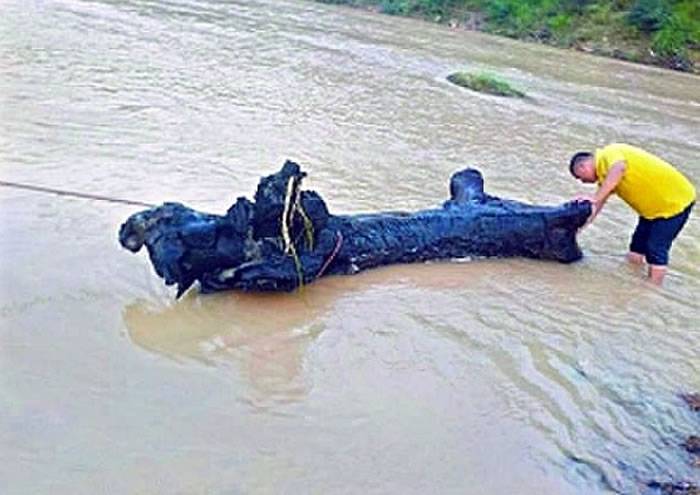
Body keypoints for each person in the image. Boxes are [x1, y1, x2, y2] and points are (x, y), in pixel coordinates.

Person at [569, 143, 695, 285]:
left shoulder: (609, 153)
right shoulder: (606, 179)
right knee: (636, 248)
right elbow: (596, 207)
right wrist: (576, 230)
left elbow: (619, 168)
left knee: (655, 249)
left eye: (580, 177)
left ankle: (653, 289)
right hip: (651, 210)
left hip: (674, 204)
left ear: (583, 167)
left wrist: (596, 197)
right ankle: (634, 282)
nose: (583, 182)